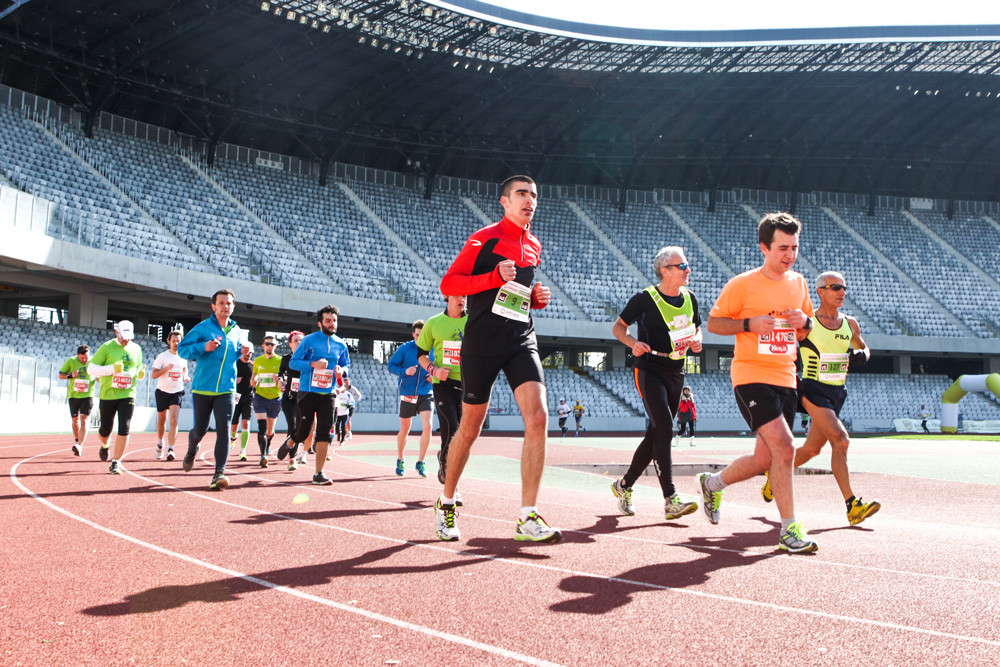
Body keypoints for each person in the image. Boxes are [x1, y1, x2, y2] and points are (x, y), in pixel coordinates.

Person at [434, 174, 561, 543]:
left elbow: (516, 294)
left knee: (538, 417)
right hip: (483, 342)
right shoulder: (484, 238)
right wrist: (492, 276)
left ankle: (527, 516)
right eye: (521, 194)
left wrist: (534, 299)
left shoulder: (533, 244)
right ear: (505, 202)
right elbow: (449, 284)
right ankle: (446, 501)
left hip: (520, 337)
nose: (529, 200)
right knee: (470, 429)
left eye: (533, 194)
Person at [701, 212, 818, 554]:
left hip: (786, 376)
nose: (790, 255)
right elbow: (714, 323)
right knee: (786, 446)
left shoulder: (799, 283)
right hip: (751, 375)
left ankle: (712, 484)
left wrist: (805, 321)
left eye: (794, 248)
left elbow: (806, 330)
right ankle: (789, 529)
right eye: (783, 248)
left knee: (764, 459)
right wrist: (749, 324)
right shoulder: (743, 284)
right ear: (764, 248)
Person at [760, 271, 880, 526]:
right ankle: (852, 506)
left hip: (838, 392)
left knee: (812, 449)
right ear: (820, 291)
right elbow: (779, 345)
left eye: (844, 288)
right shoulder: (808, 322)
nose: (842, 292)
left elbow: (863, 346)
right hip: (813, 390)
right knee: (841, 439)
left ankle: (774, 473)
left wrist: (863, 355)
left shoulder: (850, 323)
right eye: (835, 287)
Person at [610, 246, 703, 520]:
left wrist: (697, 340)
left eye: (686, 265)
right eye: (682, 266)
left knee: (655, 434)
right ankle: (670, 498)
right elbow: (618, 327)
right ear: (665, 270)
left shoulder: (690, 298)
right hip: (650, 369)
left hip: (676, 370)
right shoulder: (644, 299)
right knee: (664, 428)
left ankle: (624, 485)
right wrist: (632, 343)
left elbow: (697, 329)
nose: (688, 270)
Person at [178, 289, 253, 490]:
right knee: (199, 430)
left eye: (229, 303)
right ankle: (192, 448)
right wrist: (204, 347)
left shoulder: (237, 331)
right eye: (221, 303)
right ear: (213, 306)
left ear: (233, 306)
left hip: (227, 389)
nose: (225, 306)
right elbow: (182, 349)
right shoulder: (203, 328)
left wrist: (243, 353)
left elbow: (233, 356)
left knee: (224, 430)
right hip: (203, 388)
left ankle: (219, 473)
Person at [278, 304, 350, 485]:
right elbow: (293, 363)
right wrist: (312, 364)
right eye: (328, 320)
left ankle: (319, 473)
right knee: (303, 432)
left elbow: (346, 365)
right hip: (308, 392)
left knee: (324, 432)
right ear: (320, 323)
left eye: (334, 320)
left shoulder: (341, 344)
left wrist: (342, 370)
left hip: (329, 393)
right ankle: (291, 441)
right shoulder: (309, 341)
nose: (332, 323)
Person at [416, 294, 468, 483]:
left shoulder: (473, 322)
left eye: (465, 295)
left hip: (467, 385)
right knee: (452, 426)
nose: (462, 299)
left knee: (460, 433)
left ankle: (444, 458)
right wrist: (434, 370)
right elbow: (421, 355)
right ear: (447, 297)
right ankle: (449, 472)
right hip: (443, 385)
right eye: (458, 295)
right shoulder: (433, 323)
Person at [87, 321, 144, 474]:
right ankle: (105, 445)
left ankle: (116, 462)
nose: (126, 340)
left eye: (129, 337)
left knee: (125, 426)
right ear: (117, 333)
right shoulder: (106, 347)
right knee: (105, 430)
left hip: (128, 393)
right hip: (108, 394)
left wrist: (139, 373)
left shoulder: (136, 348)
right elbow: (91, 369)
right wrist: (112, 368)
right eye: (124, 337)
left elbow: (137, 366)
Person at [388, 321, 434, 477]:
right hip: (407, 393)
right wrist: (405, 371)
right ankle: (400, 459)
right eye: (417, 335)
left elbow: (438, 368)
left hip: (426, 392)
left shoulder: (433, 349)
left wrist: (433, 377)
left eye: (423, 335)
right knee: (405, 428)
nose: (420, 338)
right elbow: (391, 366)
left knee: (428, 426)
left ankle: (421, 462)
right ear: (413, 334)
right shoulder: (405, 349)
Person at [151, 330, 189, 461]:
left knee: (174, 418)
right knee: (162, 419)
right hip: (162, 391)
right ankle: (160, 443)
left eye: (178, 341)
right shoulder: (162, 357)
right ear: (169, 342)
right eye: (173, 341)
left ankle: (171, 449)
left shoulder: (183, 356)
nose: (176, 343)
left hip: (177, 392)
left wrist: (185, 376)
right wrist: (167, 368)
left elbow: (184, 368)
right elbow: (154, 375)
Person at [277, 330, 313, 465]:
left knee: (299, 428)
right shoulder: (286, 358)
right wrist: (280, 380)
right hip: (289, 398)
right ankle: (292, 458)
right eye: (295, 341)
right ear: (290, 344)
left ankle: (290, 446)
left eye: (301, 341)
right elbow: (280, 372)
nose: (298, 343)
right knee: (292, 424)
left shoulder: (309, 359)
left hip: (303, 399)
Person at [251, 334, 284, 468]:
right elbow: (254, 376)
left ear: (276, 346)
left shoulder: (281, 361)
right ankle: (263, 456)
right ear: (263, 346)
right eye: (267, 344)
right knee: (262, 427)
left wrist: (280, 379)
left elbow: (285, 379)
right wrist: (253, 381)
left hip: (275, 399)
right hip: (260, 397)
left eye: (272, 344)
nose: (270, 346)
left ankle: (268, 443)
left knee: (270, 431)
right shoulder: (258, 361)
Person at [59, 344, 95, 457]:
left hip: (88, 395)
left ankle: (80, 445)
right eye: (82, 358)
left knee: (83, 420)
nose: (84, 360)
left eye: (86, 357)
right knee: (75, 421)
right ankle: (77, 439)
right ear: (77, 355)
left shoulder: (94, 361)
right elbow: (60, 375)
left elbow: (100, 374)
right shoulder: (71, 361)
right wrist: (71, 375)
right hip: (74, 395)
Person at [230, 349, 254, 461]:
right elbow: (226, 377)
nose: (248, 354)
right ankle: (233, 438)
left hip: (248, 397)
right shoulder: (234, 363)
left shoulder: (253, 365)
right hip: (235, 396)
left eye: (250, 353)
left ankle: (243, 450)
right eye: (246, 352)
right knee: (234, 423)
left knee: (246, 422)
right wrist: (234, 381)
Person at [341, 376, 362, 441]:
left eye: (348, 382)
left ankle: (349, 433)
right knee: (344, 420)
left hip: (351, 406)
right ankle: (346, 433)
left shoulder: (353, 389)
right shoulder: (343, 388)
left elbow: (359, 395)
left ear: (349, 382)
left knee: (348, 420)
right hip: (344, 406)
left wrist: (355, 401)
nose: (347, 383)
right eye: (345, 382)